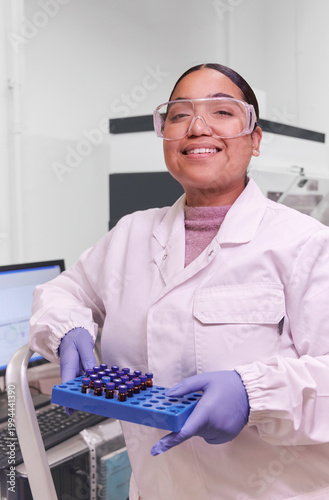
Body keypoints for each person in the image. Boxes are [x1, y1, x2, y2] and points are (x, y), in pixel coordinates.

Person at [29, 63, 329, 500]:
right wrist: (67, 328)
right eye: (179, 114)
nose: (197, 127)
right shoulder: (131, 234)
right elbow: (65, 291)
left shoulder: (307, 245)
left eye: (222, 112)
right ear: (166, 136)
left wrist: (255, 394)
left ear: (255, 138)